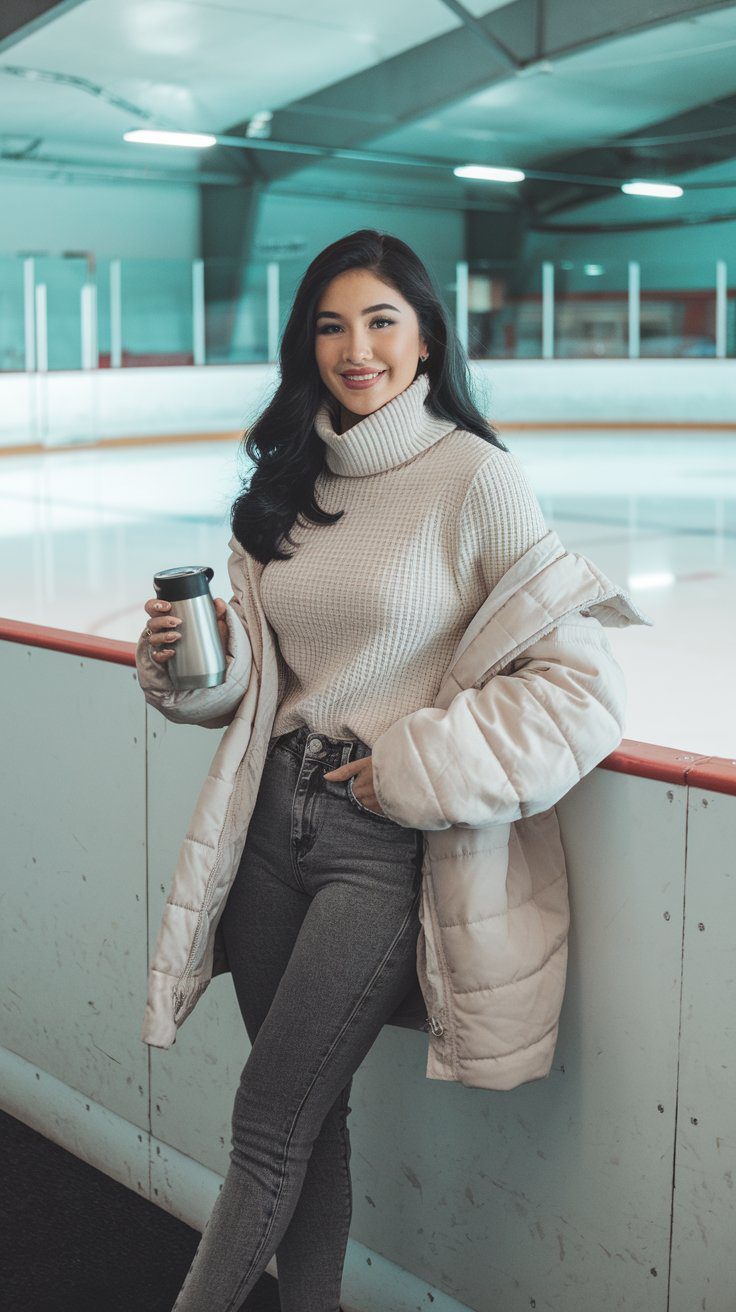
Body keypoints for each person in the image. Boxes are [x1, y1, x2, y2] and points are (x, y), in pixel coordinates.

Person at [136, 229, 644, 1311]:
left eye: (380, 322)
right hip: (270, 824)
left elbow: (578, 691)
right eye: (330, 325)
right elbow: (265, 687)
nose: (354, 348)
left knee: (267, 1121)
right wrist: (185, 666)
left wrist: (413, 765)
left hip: (379, 842)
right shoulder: (291, 480)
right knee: (308, 1124)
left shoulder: (478, 478)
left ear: (425, 341)